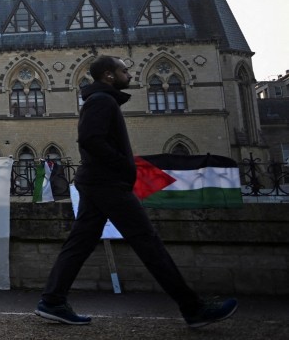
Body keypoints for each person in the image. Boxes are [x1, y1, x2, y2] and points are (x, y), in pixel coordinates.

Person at [34, 56, 237, 328]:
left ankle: (52, 300)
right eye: (124, 70)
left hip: (99, 182)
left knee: (80, 243)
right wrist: (122, 165)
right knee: (147, 242)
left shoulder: (102, 100)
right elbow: (90, 140)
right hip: (107, 184)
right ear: (109, 75)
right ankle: (194, 308)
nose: (129, 74)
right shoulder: (101, 101)